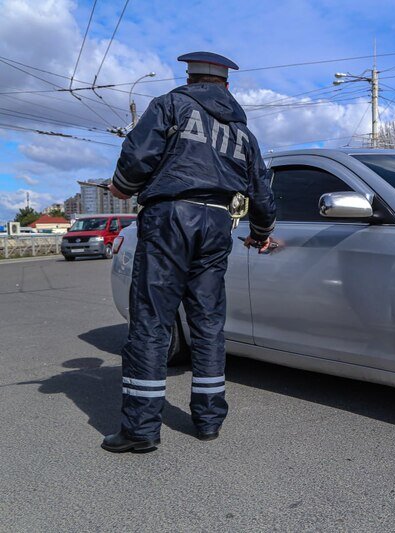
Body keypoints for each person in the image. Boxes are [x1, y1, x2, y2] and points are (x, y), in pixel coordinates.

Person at [102, 52, 277, 453]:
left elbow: (137, 157)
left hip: (169, 218)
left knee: (151, 321)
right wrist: (263, 231)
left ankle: (141, 430)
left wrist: (121, 186)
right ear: (226, 88)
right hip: (217, 222)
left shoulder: (170, 105)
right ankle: (209, 420)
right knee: (208, 321)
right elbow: (261, 189)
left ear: (190, 78)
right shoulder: (242, 133)